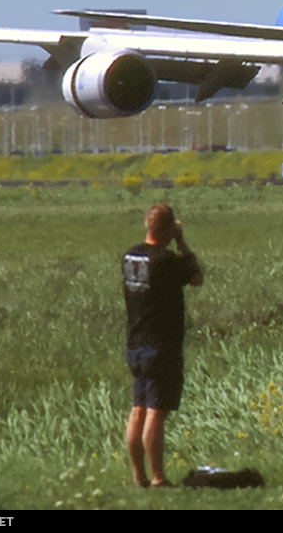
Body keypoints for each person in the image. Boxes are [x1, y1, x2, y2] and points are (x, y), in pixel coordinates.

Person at [122, 203, 203, 487]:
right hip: (161, 345)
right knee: (156, 413)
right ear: (169, 228)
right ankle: (158, 477)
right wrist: (181, 242)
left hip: (135, 342)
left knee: (138, 410)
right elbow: (196, 277)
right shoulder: (166, 260)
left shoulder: (129, 256)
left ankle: (138, 476)